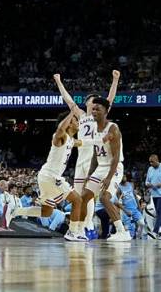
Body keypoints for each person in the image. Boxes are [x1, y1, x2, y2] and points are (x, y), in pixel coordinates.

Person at [53, 70, 120, 240]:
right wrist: (58, 81)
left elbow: (110, 99)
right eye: (93, 101)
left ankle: (87, 226)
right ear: (88, 103)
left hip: (95, 159)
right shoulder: (81, 115)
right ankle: (77, 229)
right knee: (78, 197)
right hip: (81, 159)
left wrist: (115, 80)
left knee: (88, 196)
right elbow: (68, 100)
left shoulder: (101, 117)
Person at [6, 108, 88, 241]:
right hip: (51, 176)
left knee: (46, 212)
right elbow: (61, 128)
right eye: (75, 120)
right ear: (68, 123)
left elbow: (84, 143)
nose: (78, 122)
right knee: (77, 200)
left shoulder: (71, 140)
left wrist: (103, 140)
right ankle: (72, 232)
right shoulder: (60, 136)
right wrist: (72, 112)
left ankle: (15, 211)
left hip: (47, 176)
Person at [81, 97, 130, 241]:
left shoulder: (113, 128)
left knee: (104, 198)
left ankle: (122, 231)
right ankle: (82, 229)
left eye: (97, 109)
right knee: (84, 197)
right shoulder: (94, 129)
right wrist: (89, 174)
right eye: (93, 109)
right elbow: (95, 156)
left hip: (114, 167)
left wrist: (109, 177)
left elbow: (115, 156)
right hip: (100, 167)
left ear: (106, 111)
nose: (94, 111)